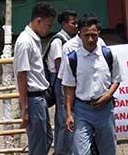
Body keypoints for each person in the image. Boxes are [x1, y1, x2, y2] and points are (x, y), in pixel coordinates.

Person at [60, 15, 121, 155]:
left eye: (94, 35)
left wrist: (108, 95)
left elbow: (116, 79)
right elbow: (69, 88)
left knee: (108, 150)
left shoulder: (109, 54)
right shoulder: (72, 58)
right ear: (79, 34)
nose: (90, 39)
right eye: (86, 35)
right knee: (81, 152)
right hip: (82, 110)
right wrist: (69, 114)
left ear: (99, 34)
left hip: (105, 110)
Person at [14, 1, 57, 155]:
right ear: (39, 20)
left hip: (39, 98)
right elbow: (21, 75)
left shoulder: (34, 39)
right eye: (48, 25)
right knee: (38, 144)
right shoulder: (25, 42)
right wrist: (25, 108)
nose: (49, 29)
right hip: (32, 99)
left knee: (46, 138)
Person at [47, 10, 79, 155]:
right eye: (73, 23)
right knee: (65, 119)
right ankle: (62, 152)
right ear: (64, 23)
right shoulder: (58, 41)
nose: (76, 25)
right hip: (61, 82)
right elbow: (60, 66)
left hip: (66, 82)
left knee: (62, 119)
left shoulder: (68, 39)